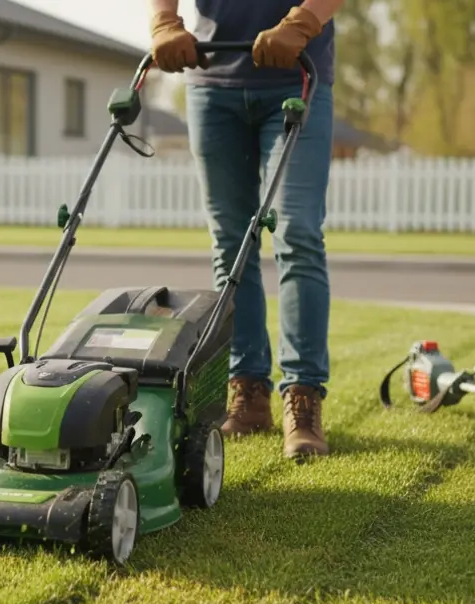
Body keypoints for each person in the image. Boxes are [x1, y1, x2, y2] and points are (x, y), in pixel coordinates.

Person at [145, 0, 341, 459]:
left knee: (299, 235)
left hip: (297, 72)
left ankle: (303, 397)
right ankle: (248, 390)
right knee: (231, 245)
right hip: (212, 85)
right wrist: (163, 23)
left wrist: (302, 22)